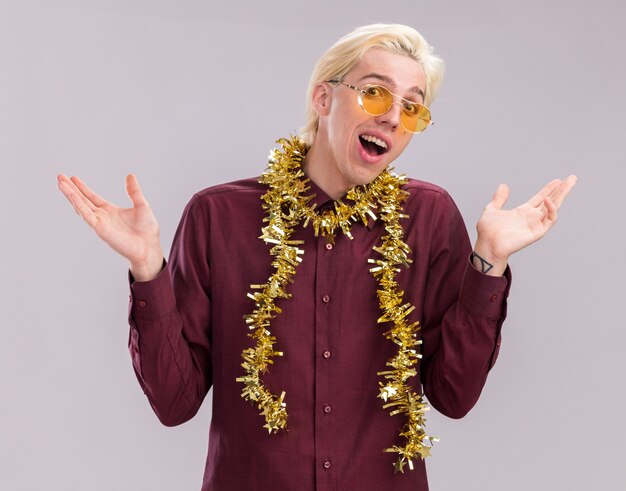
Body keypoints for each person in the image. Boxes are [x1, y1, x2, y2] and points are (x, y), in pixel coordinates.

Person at [58, 24, 576, 491]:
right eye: (375, 92)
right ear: (323, 98)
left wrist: (488, 261)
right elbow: (174, 403)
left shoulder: (430, 218)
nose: (394, 116)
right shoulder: (218, 217)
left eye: (412, 106)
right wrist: (149, 269)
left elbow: (454, 396)